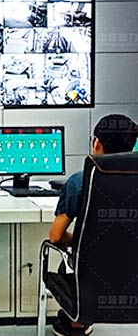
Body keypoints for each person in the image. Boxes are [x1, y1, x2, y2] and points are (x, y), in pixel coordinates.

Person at [49, 114, 138, 336]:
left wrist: (83, 239)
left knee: (79, 263)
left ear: (96, 142)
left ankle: (77, 321)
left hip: (91, 280)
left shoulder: (80, 181)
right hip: (132, 275)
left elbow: (56, 237)